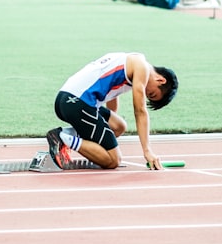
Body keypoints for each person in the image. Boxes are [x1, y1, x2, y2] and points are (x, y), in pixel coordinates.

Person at [47, 52, 178, 170]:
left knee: (118, 126)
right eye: (152, 94)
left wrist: (104, 130)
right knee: (113, 160)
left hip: (67, 99)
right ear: (161, 80)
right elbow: (140, 111)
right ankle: (62, 138)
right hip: (77, 103)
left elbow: (112, 94)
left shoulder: (131, 61)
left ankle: (68, 134)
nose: (146, 94)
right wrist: (147, 150)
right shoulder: (142, 68)